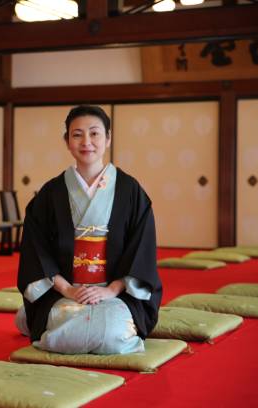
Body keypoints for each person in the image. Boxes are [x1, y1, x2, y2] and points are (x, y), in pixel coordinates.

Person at [15, 105, 162, 355]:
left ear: (108, 138)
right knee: (67, 328)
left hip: (116, 292)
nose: (87, 142)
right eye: (77, 134)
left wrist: (110, 290)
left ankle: (29, 322)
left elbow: (141, 251)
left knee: (113, 336)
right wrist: (69, 290)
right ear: (67, 141)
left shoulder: (130, 191)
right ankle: (30, 319)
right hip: (65, 291)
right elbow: (36, 250)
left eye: (94, 134)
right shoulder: (51, 193)